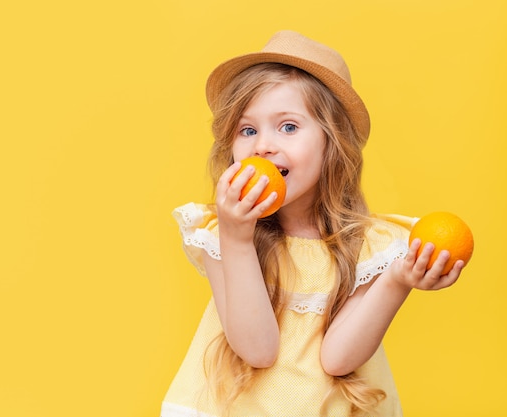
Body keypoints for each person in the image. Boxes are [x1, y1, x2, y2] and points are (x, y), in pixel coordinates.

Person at [161, 30, 465, 417]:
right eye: (247, 129)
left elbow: (338, 359)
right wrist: (236, 239)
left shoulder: (371, 246)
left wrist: (397, 281)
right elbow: (258, 349)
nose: (263, 146)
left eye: (288, 127)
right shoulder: (221, 234)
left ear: (332, 144)